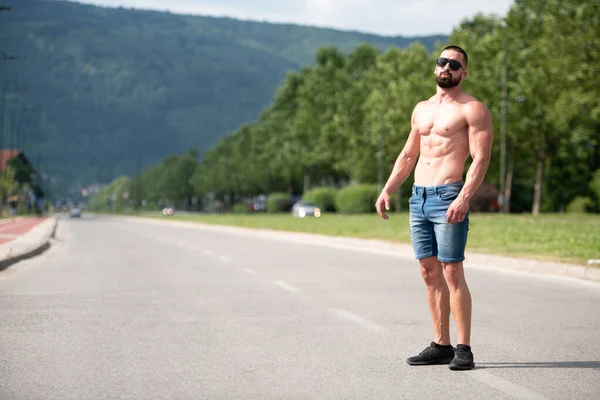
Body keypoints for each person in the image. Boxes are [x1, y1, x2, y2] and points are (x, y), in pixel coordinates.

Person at [375, 45, 493, 371]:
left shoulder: (474, 110)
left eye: (454, 65)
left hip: (449, 195)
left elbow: (481, 158)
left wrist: (464, 196)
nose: (447, 68)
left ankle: (464, 348)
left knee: (452, 271)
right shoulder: (421, 109)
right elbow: (408, 155)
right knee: (429, 273)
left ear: (463, 73)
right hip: (419, 198)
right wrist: (387, 189)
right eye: (442, 62)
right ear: (435, 68)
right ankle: (441, 344)